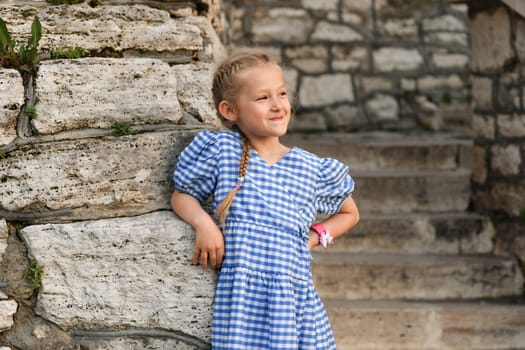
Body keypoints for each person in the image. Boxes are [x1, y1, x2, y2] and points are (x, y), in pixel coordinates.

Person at [171, 48, 359, 349]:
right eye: (262, 98)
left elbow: (350, 214)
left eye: (282, 94)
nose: (278, 105)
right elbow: (182, 195)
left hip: (294, 303)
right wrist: (203, 225)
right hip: (242, 306)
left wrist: (314, 237)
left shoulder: (312, 168)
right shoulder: (222, 151)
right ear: (230, 110)